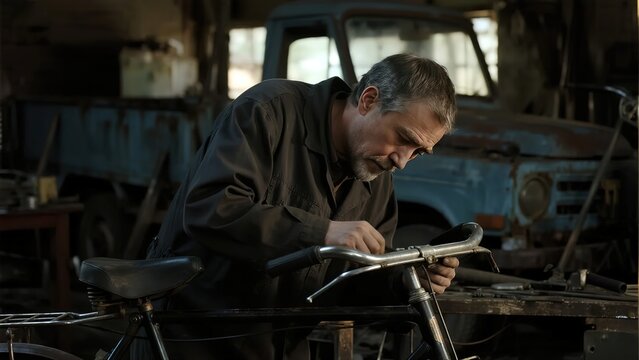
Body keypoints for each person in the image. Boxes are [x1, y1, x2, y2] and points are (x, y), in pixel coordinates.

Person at [138, 53, 459, 359]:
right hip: (191, 334)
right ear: (369, 100)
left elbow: (354, 281)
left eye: (418, 151)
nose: (402, 161)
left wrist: (405, 279)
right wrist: (323, 232)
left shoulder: (376, 178)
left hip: (279, 345)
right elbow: (210, 208)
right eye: (402, 137)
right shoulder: (268, 111)